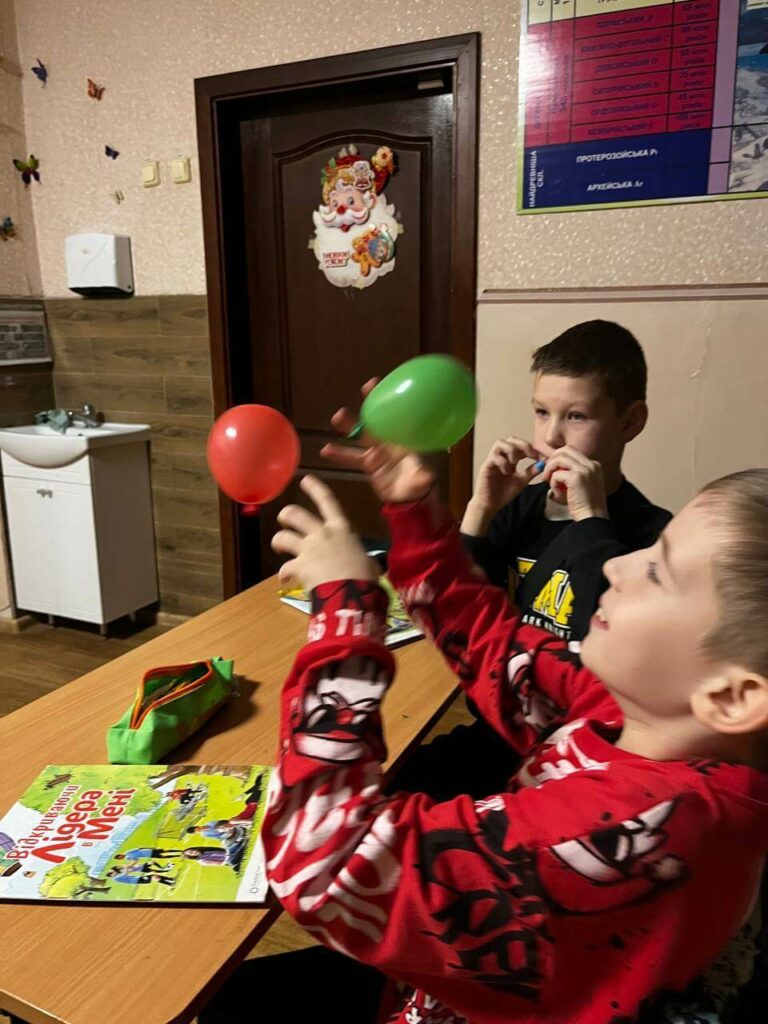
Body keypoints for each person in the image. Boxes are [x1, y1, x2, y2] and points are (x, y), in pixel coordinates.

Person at [202, 461, 768, 1024]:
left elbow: (327, 864)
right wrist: (416, 514)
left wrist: (346, 618)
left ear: (732, 697)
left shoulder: (641, 826)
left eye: (658, 571)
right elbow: (494, 644)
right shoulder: (639, 720)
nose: (616, 564)